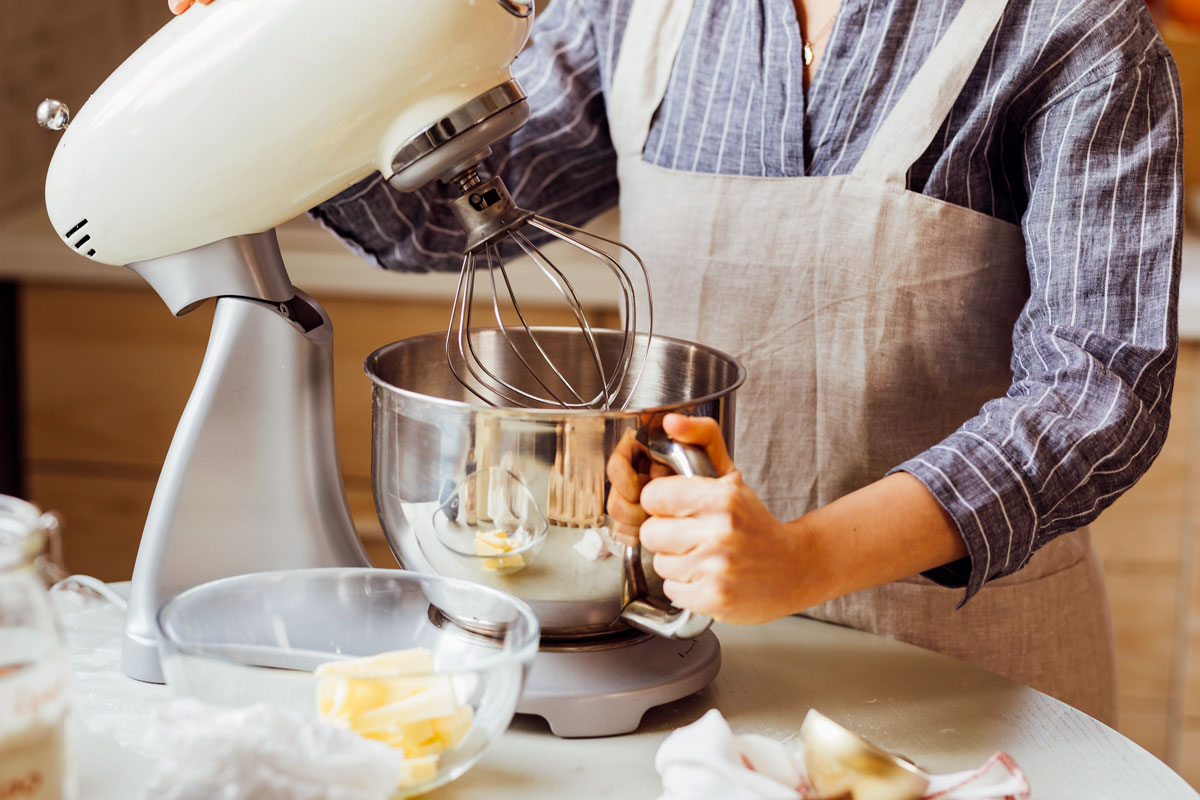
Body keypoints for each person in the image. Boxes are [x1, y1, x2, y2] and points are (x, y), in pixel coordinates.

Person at [174, 0, 1183, 725]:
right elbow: (438, 216)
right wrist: (280, 83)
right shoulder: (638, 12)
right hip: (684, 665)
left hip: (966, 677)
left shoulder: (1078, 33)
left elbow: (1097, 390)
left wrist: (803, 558)